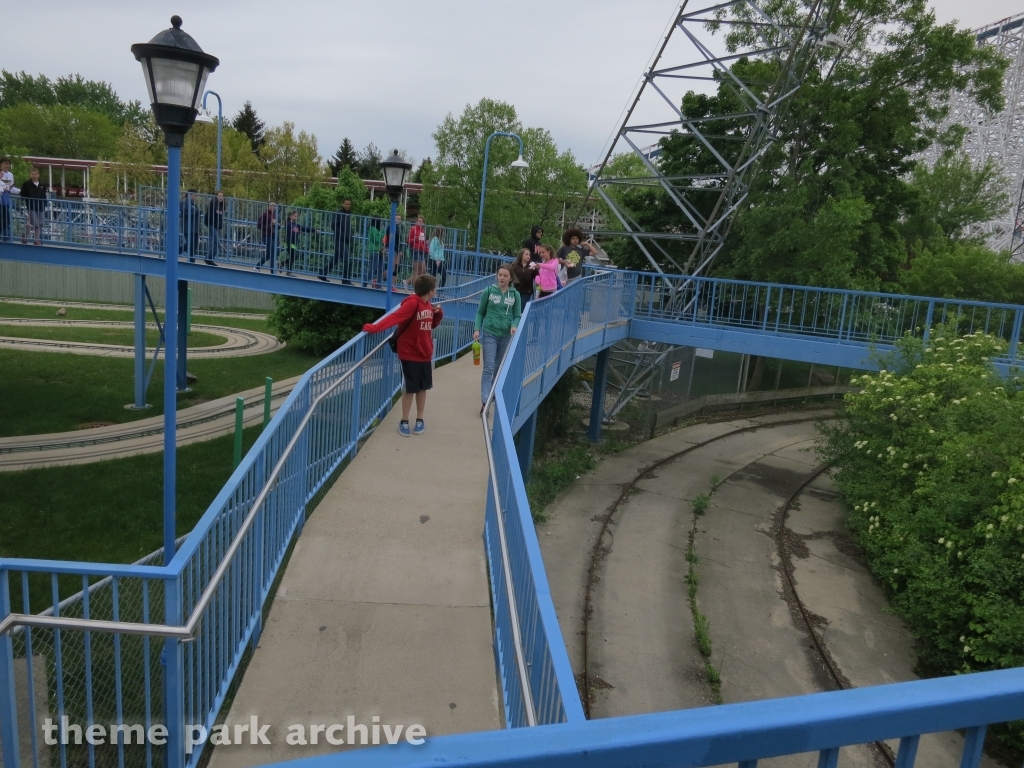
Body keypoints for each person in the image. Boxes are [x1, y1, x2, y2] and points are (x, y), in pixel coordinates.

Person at [361, 274, 444, 436]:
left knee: (422, 387)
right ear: (430, 291)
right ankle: (404, 420)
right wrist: (374, 327)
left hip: (425, 353)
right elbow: (394, 318)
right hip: (410, 353)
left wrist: (438, 315)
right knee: (409, 388)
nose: (436, 291)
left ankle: (420, 419)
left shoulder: (428, 305)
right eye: (435, 289)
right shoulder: (412, 303)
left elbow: (429, 325)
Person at [474, 265, 521, 412]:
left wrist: (514, 325)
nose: (502, 278)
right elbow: (480, 312)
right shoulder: (489, 291)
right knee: (488, 366)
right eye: (500, 275)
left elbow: (517, 315)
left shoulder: (515, 295)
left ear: (511, 278)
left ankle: (492, 393)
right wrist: (477, 328)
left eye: (505, 276)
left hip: (506, 335)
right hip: (489, 333)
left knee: (498, 368)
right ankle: (485, 400)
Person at [320, 197, 352, 282]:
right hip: (339, 239)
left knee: (336, 259)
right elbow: (334, 226)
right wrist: (342, 235)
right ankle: (345, 279)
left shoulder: (348, 214)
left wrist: (349, 236)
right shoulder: (338, 213)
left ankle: (323, 274)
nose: (348, 206)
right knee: (347, 259)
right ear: (342, 204)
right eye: (346, 204)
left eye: (349, 204)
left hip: (345, 240)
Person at [20, 167, 47, 245]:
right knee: (34, 222)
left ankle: (25, 235)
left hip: (41, 206)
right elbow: (23, 193)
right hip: (31, 206)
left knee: (40, 222)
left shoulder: (42, 185)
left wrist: (44, 202)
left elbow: (44, 195)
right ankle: (36, 239)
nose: (34, 176)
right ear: (30, 175)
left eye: (35, 174)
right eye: (32, 174)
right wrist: (27, 200)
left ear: (38, 175)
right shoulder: (26, 184)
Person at [281, 210, 310, 276]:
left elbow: (305, 228)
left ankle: (281, 264)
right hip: (289, 242)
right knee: (292, 256)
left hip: (294, 244)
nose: (296, 217)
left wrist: (314, 230)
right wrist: (288, 243)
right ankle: (288, 272)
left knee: (294, 257)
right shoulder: (288, 224)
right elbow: (287, 234)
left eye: (297, 216)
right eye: (295, 216)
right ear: (291, 216)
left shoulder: (297, 225)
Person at [405, 214, 429, 286]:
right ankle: (415, 288)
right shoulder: (413, 229)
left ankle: (407, 281)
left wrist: (426, 249)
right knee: (417, 270)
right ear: (416, 221)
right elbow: (408, 240)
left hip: (422, 251)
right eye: (419, 221)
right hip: (415, 249)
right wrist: (415, 239)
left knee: (423, 270)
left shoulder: (423, 230)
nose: (420, 222)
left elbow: (423, 242)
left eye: (422, 221)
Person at [204, 189, 225, 265]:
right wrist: (211, 223)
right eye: (219, 196)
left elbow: (219, 217)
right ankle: (208, 258)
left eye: (222, 196)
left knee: (216, 242)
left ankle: (208, 258)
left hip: (216, 226)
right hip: (211, 224)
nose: (221, 198)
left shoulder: (221, 205)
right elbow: (210, 215)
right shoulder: (213, 203)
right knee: (217, 243)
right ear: (216, 196)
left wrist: (219, 226)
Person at [255, 202, 278, 273]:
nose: (273, 207)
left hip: (273, 235)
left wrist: (277, 225)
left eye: (274, 206)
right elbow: (259, 225)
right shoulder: (265, 214)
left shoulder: (274, 215)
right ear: (268, 206)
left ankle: (257, 266)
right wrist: (269, 225)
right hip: (267, 235)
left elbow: (276, 226)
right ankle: (272, 271)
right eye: (271, 205)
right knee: (272, 252)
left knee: (269, 254)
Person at [179, 190, 201, 261]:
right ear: (190, 195)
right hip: (188, 227)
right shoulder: (185, 202)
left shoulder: (193, 204)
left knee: (194, 245)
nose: (195, 197)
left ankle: (192, 259)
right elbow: (184, 213)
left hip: (194, 228)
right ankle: (176, 252)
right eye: (194, 196)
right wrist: (195, 212)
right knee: (190, 244)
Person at [0, 158, 16, 242]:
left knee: (7, 217)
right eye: (5, 163)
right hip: (1, 197)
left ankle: (7, 237)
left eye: (8, 164)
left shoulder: (10, 175)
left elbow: (11, 187)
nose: (7, 165)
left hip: (6, 199)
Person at [367, 216, 385, 287]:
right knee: (373, 268)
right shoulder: (373, 229)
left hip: (379, 250)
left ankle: (378, 284)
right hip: (374, 250)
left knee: (381, 268)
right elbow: (377, 240)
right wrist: (383, 231)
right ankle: (365, 282)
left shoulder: (376, 229)